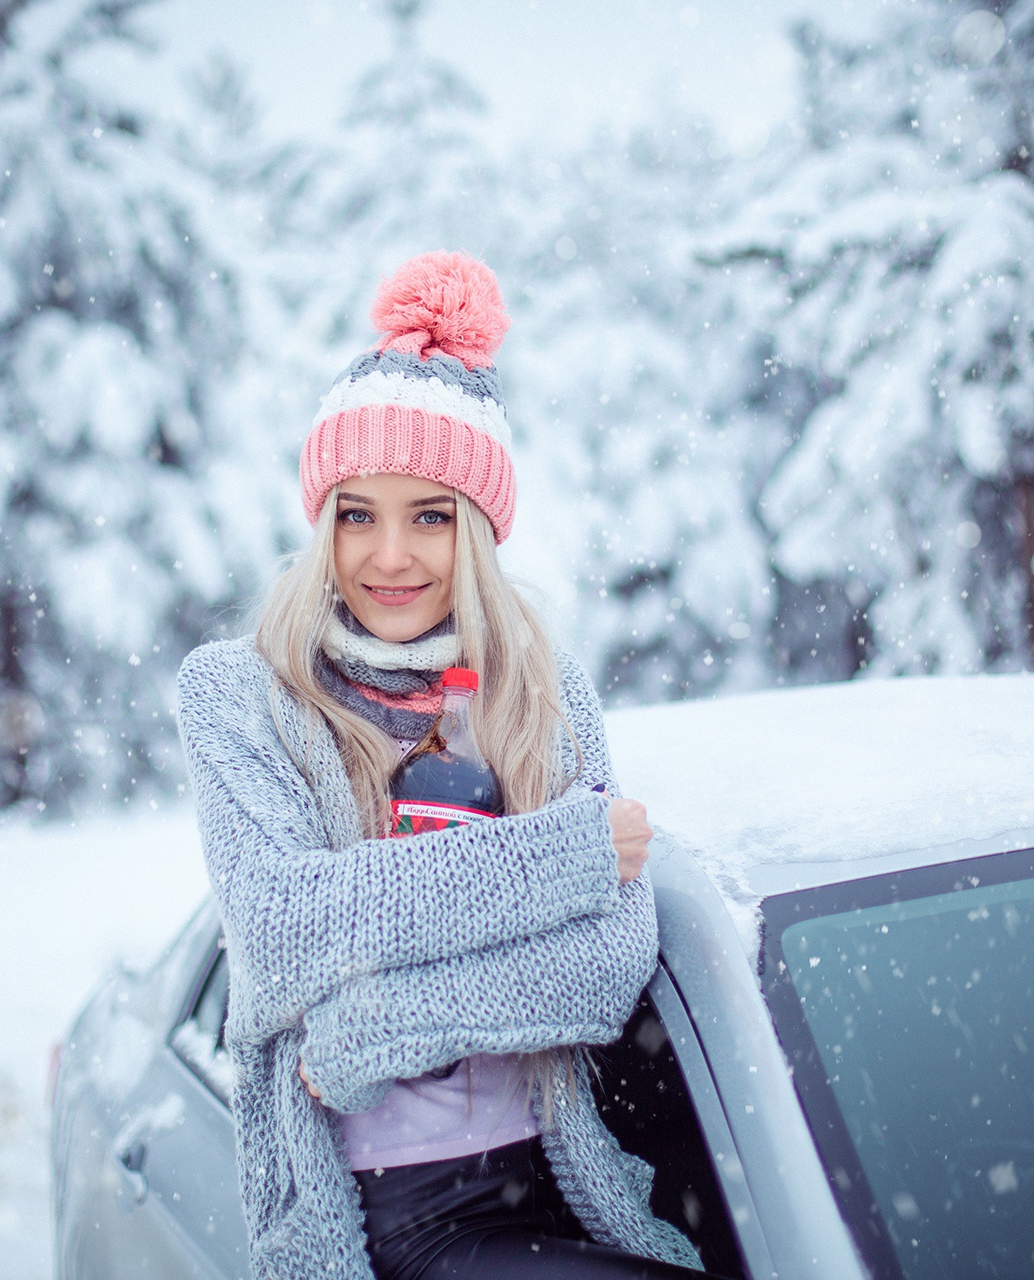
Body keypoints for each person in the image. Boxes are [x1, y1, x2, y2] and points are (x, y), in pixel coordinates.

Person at [175, 251, 717, 1280]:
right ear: (321, 520)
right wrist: (559, 860)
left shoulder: (541, 683)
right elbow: (283, 924)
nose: (391, 556)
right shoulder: (241, 693)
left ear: (475, 529)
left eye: (429, 515)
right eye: (357, 513)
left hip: (569, 1174)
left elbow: (609, 961)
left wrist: (373, 1022)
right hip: (393, 1209)